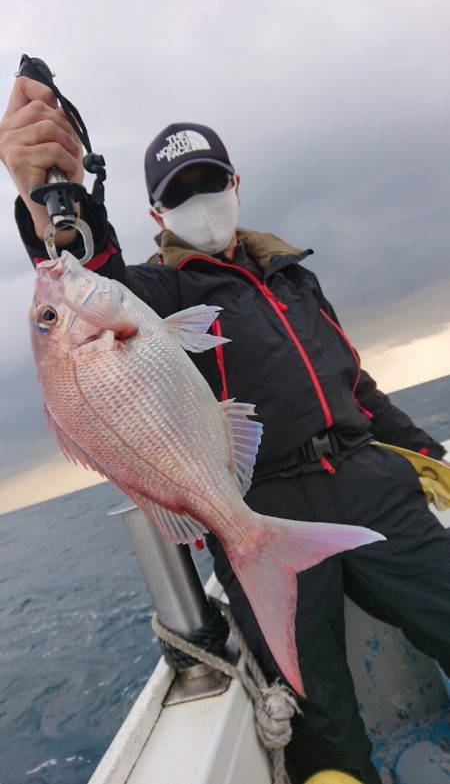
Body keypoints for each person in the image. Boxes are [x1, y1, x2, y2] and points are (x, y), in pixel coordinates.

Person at [1, 77, 450, 784]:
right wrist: (48, 199)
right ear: (158, 211)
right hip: (263, 502)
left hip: (371, 479)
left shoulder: (293, 276)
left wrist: (426, 453)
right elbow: (90, 269)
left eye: (210, 182)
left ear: (236, 183)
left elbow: (354, 385)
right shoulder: (160, 292)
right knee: (319, 716)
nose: (200, 201)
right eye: (180, 193)